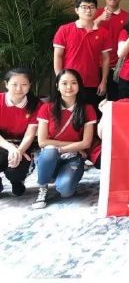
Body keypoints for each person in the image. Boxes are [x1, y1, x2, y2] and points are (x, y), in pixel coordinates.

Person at [32, 69, 97, 209]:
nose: (69, 87)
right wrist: (75, 145)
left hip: (73, 157)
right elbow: (42, 141)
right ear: (57, 86)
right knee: (50, 151)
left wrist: (61, 149)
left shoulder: (87, 109)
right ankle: (43, 187)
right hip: (51, 154)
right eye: (64, 83)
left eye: (73, 83)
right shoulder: (46, 108)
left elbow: (86, 143)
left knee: (66, 191)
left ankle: (55, 175)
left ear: (79, 85)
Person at [53, 0, 111, 111]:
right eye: (84, 7)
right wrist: (60, 79)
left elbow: (106, 59)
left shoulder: (103, 33)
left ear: (96, 10)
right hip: (69, 82)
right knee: (68, 113)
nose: (88, 10)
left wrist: (103, 81)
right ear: (76, 10)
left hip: (92, 82)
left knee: (91, 115)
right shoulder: (64, 30)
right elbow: (58, 56)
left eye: (92, 7)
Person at [0, 68, 40, 196]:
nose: (19, 89)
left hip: (23, 144)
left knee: (16, 170)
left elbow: (30, 135)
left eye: (24, 84)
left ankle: (17, 181)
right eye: (14, 84)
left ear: (30, 85)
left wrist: (19, 151)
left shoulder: (36, 105)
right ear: (6, 84)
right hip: (2, 143)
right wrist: (11, 148)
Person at [94, 0, 129, 101]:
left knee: (115, 101)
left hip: (117, 67)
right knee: (96, 102)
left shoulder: (127, 17)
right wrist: (100, 19)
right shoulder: (95, 13)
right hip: (96, 65)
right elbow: (86, 32)